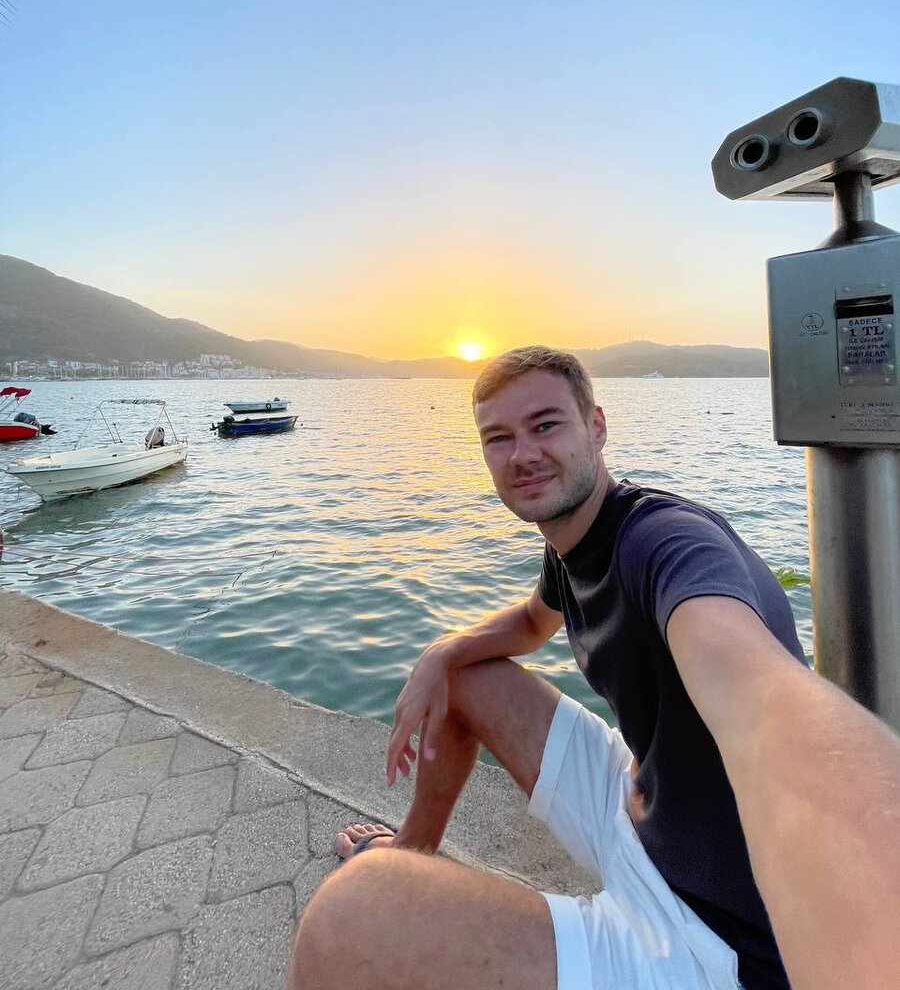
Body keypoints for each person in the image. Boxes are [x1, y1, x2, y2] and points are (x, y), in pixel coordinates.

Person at [288, 346, 900, 990]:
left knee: (348, 918)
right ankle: (413, 846)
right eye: (499, 437)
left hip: (714, 938)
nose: (523, 453)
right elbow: (532, 623)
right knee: (466, 676)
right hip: (643, 807)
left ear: (596, 426)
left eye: (545, 425)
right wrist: (441, 653)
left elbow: (759, 698)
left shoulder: (663, 544)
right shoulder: (574, 540)